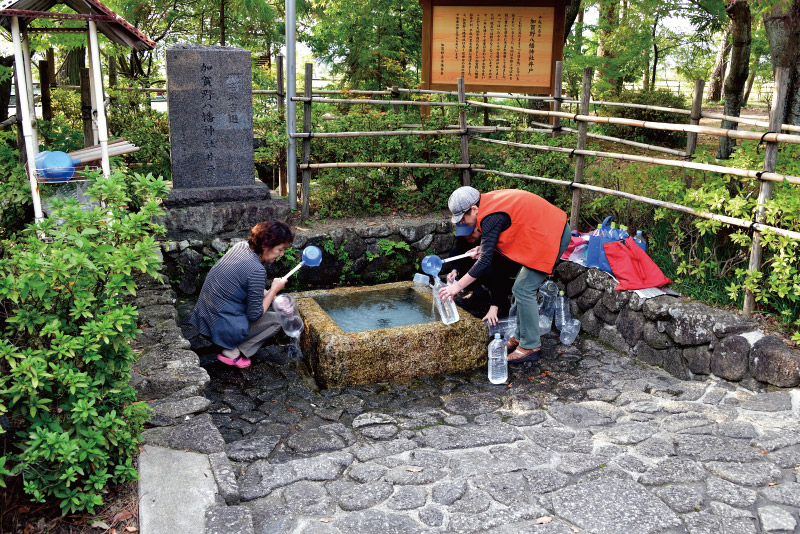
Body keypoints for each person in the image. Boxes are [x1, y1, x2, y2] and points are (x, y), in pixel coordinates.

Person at [439, 187, 571, 363]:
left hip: (553, 235)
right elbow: (506, 227)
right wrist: (483, 247)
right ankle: (520, 336)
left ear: (474, 209)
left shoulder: (490, 216)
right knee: (520, 288)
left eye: (463, 218)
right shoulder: (488, 205)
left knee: (524, 288)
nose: (462, 223)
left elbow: (485, 261)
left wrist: (457, 286)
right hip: (544, 233)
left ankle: (530, 345)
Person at [190, 220, 294, 369]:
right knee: (278, 319)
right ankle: (232, 351)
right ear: (266, 246)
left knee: (271, 303)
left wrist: (272, 296)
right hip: (220, 327)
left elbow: (244, 285)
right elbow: (254, 315)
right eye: (280, 249)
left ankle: (227, 342)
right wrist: (273, 291)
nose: (282, 254)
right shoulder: (257, 270)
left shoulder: (241, 247)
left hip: (204, 318)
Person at [445, 223, 519, 326]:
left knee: (489, 271)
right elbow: (457, 253)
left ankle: (499, 302)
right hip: (483, 272)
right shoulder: (464, 241)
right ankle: (476, 293)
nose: (467, 236)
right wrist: (455, 270)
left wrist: (494, 306)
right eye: (464, 234)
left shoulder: (490, 239)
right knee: (467, 263)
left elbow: (500, 274)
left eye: (471, 232)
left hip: (504, 272)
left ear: (478, 228)